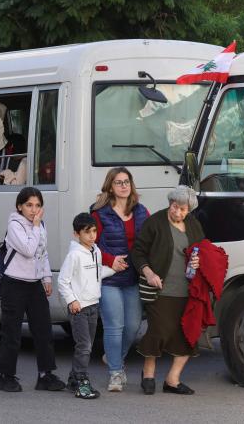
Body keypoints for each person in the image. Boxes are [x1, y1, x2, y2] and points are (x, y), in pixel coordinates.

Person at [131, 185, 204, 395]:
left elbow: (202, 249)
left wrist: (199, 260)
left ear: (189, 210)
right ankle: (148, 372)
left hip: (186, 290)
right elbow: (138, 252)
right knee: (159, 331)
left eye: (183, 209)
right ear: (169, 203)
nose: (178, 212)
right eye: (175, 207)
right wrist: (149, 273)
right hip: (159, 289)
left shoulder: (193, 224)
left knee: (186, 334)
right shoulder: (155, 222)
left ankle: (172, 380)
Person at [0, 187, 65, 392]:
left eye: (37, 206)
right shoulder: (15, 224)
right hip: (14, 284)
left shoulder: (39, 225)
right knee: (12, 333)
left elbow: (42, 253)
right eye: (29, 205)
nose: (34, 210)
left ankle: (45, 375)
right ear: (20, 206)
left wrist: (46, 277)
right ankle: (6, 377)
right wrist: (35, 226)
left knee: (43, 330)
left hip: (34, 285)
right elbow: (28, 249)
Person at [91, 167, 149, 392]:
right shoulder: (99, 213)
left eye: (127, 182)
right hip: (109, 278)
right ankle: (116, 372)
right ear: (110, 187)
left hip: (133, 277)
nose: (124, 186)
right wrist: (110, 260)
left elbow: (151, 240)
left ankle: (113, 356)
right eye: (118, 182)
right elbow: (90, 244)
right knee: (114, 327)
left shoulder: (142, 211)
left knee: (133, 326)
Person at [57, 213, 113, 400]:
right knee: (84, 346)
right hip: (79, 308)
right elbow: (63, 281)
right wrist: (72, 300)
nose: (92, 236)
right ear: (76, 234)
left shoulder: (95, 251)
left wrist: (114, 268)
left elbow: (96, 274)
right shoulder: (74, 255)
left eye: (94, 231)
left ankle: (73, 379)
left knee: (84, 346)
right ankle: (81, 382)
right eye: (87, 232)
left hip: (93, 306)